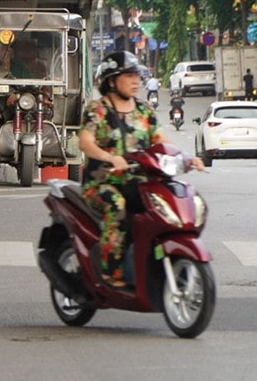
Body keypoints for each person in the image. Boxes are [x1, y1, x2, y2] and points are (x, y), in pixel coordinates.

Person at [79, 51, 203, 289]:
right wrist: (110, 157)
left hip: (139, 182)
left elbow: (160, 139)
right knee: (117, 206)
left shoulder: (144, 110)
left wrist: (187, 158)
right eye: (128, 75)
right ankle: (110, 272)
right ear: (112, 81)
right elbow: (86, 142)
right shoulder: (98, 110)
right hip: (102, 184)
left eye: (137, 75)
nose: (136, 80)